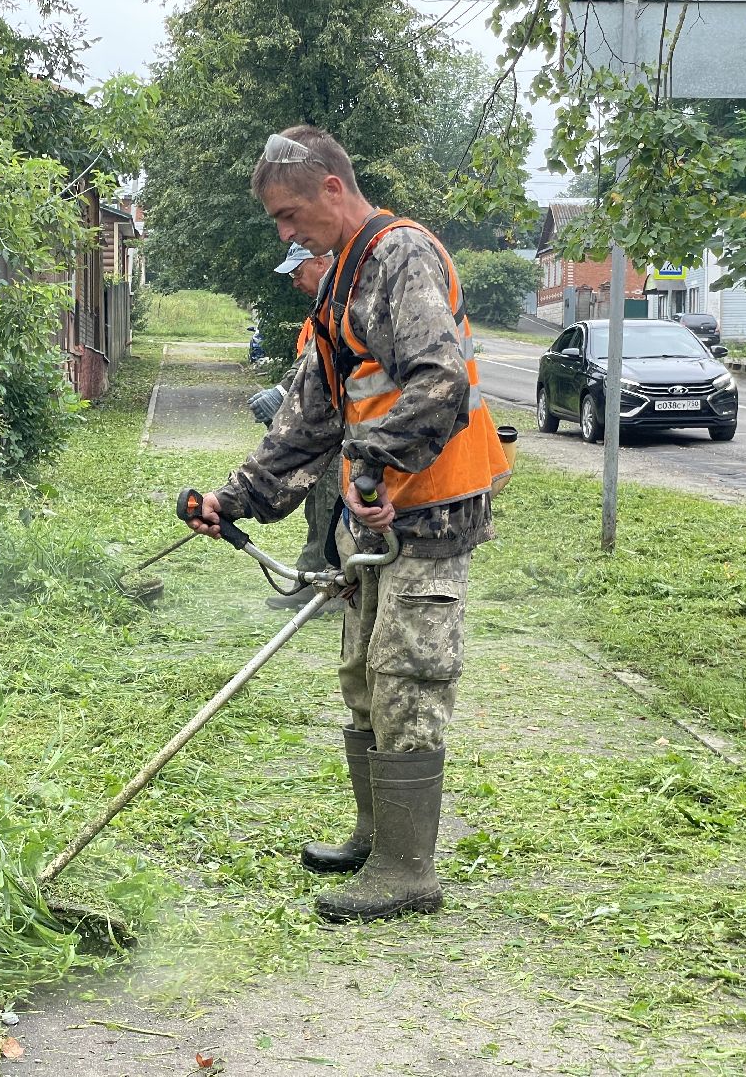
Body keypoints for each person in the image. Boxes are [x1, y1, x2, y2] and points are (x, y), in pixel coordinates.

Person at [184, 125, 509, 923]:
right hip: (379, 512)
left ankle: (408, 870)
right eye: (278, 223)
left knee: (409, 677)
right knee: (364, 676)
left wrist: (372, 463)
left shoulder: (402, 257)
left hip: (429, 510)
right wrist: (234, 498)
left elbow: (440, 383)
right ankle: (374, 835)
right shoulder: (337, 292)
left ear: (334, 187)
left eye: (291, 216)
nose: (288, 234)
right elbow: (309, 420)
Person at [246, 243, 341, 611]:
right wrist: (283, 391)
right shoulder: (324, 305)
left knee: (333, 504)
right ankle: (314, 578)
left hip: (343, 429)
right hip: (325, 427)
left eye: (297, 272)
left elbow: (326, 365)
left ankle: (332, 586)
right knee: (319, 501)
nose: (294, 281)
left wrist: (284, 393)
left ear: (320, 262)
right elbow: (311, 359)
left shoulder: (345, 299)